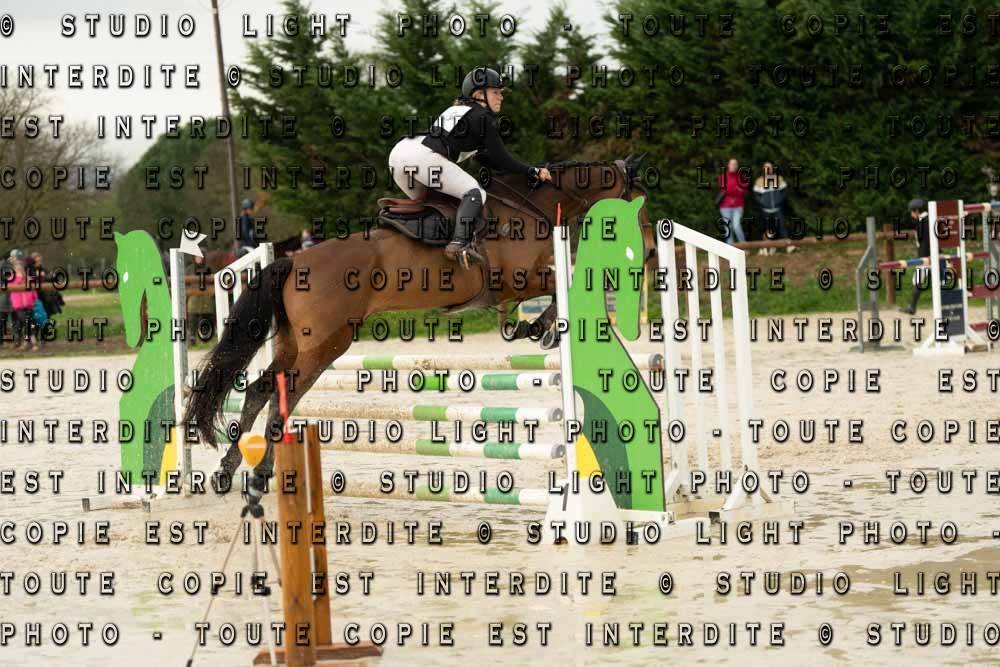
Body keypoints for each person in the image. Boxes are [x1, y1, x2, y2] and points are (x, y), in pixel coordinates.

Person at [387, 67, 552, 265]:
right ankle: (458, 245)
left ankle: (425, 250)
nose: (501, 97)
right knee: (475, 193)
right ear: (479, 95)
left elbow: (483, 158)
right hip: (422, 157)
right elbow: (502, 159)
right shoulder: (482, 117)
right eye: (495, 92)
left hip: (399, 154)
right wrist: (533, 171)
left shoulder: (459, 111)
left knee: (436, 204)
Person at [901, 198, 930, 315]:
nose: (911, 215)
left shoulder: (921, 222)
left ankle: (912, 307)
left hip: (925, 256)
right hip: (937, 254)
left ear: (917, 211)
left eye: (912, 212)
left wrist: (921, 258)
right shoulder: (932, 218)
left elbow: (924, 242)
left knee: (917, 281)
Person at [752, 161, 791, 240]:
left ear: (772, 168)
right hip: (766, 210)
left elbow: (785, 191)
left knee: (782, 227)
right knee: (768, 229)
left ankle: (788, 244)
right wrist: (762, 202)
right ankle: (769, 245)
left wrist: (780, 199)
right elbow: (756, 195)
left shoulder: (779, 178)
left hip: (778, 209)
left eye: (770, 167)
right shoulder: (759, 181)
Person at [717, 157, 749, 244]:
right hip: (725, 207)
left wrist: (732, 189)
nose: (733, 166)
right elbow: (724, 190)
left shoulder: (742, 177)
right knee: (728, 228)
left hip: (738, 206)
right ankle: (730, 248)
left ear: (737, 166)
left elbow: (745, 192)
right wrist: (737, 188)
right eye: (732, 164)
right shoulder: (723, 177)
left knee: (736, 225)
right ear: (728, 165)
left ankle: (744, 246)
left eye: (735, 164)